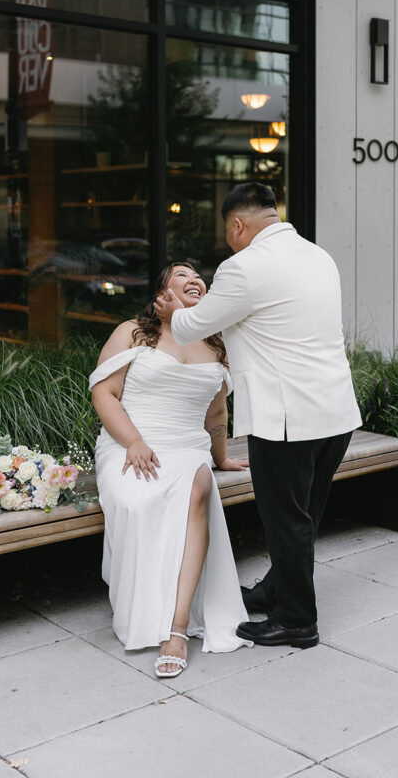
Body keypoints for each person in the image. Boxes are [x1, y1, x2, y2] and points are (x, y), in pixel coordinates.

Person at [155, 183, 362, 649]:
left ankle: (296, 620)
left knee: (285, 519)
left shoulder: (243, 267)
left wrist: (172, 309)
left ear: (237, 225)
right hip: (336, 412)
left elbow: (191, 327)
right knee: (304, 515)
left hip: (286, 419)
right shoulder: (318, 256)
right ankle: (277, 589)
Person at [89, 262, 251, 679]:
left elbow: (217, 411)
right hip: (131, 441)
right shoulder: (133, 332)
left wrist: (220, 457)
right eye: (182, 274)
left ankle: (177, 629)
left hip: (187, 447)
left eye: (199, 275)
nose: (195, 278)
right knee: (135, 499)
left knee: (198, 488)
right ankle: (145, 602)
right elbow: (104, 393)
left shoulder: (216, 343)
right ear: (162, 289)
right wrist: (134, 441)